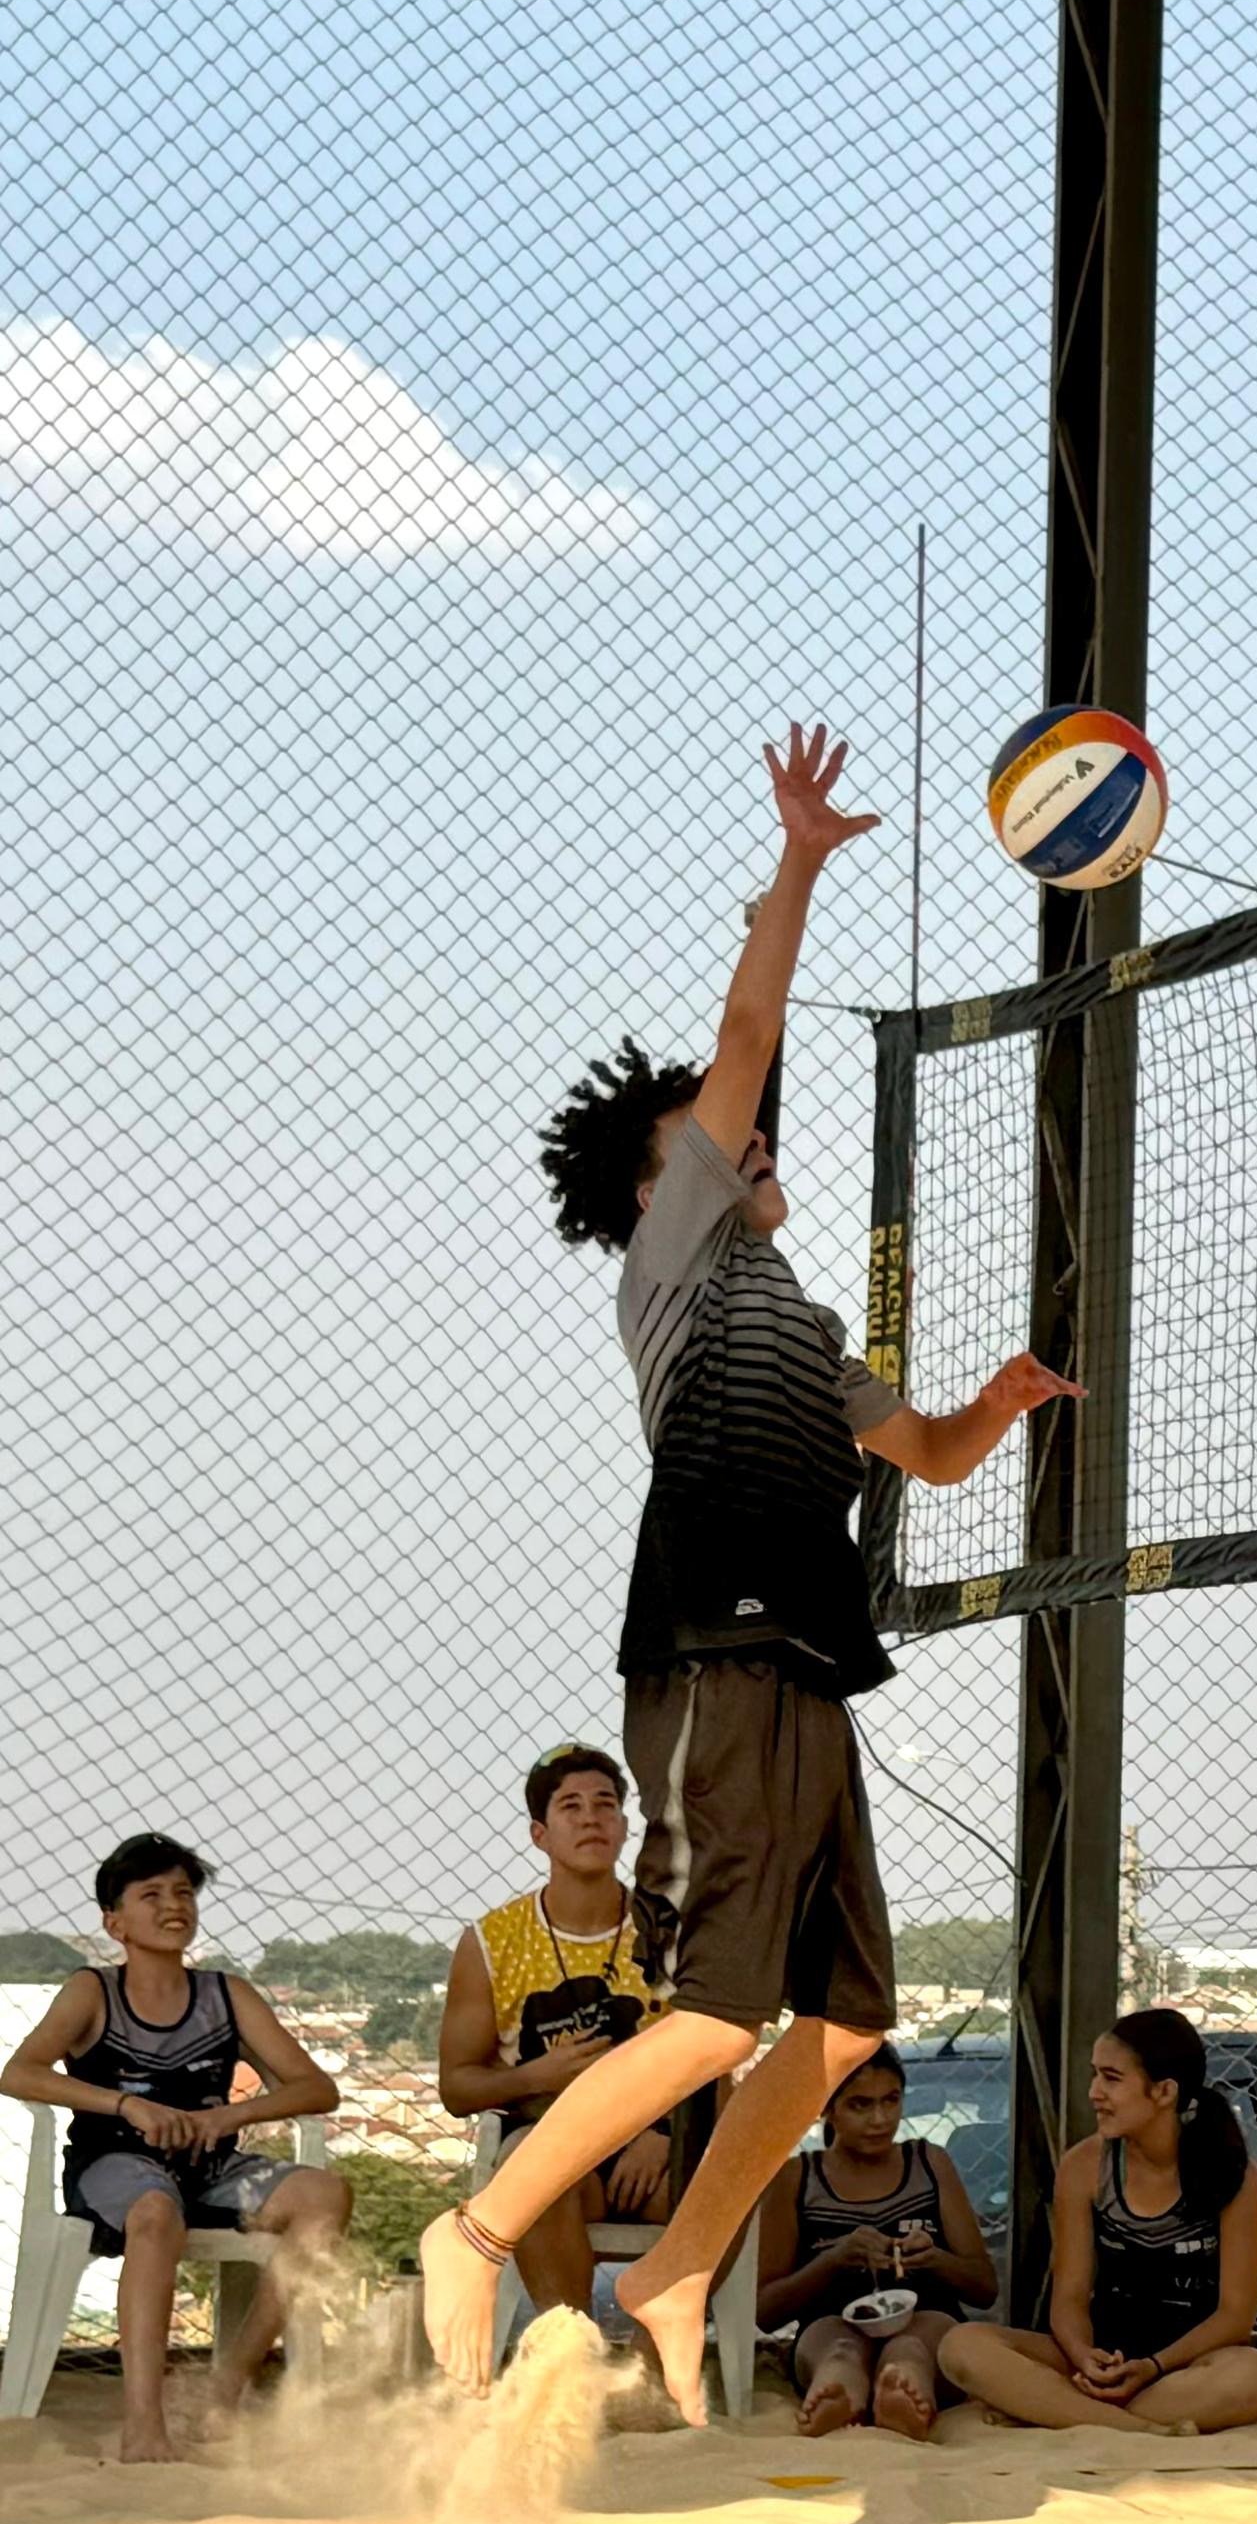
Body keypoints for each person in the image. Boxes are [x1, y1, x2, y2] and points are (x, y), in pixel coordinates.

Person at [415, 723, 1071, 2413]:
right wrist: (797, 860)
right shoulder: (673, 1268)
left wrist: (990, 1407)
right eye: (723, 1140)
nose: (755, 1140)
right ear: (671, 1188)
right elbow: (746, 1038)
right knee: (711, 2016)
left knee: (847, 2024)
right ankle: (477, 2233)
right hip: (716, 1650)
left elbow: (925, 1453)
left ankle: (684, 2263)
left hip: (809, 1670)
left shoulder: (799, 1324)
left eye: (752, 1139)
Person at [0, 1835, 352, 2461]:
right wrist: (125, 2104)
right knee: (156, 2213)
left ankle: (227, 2385)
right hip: (115, 2166)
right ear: (115, 1922)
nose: (174, 1906)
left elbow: (316, 2089)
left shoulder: (226, 1995)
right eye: (152, 1894)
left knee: (325, 2195)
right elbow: (19, 2073)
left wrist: (230, 2116)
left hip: (212, 2169)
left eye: (184, 1893)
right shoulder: (93, 1991)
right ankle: (144, 2423)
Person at [938, 2008, 1257, 2434]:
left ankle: (1057, 2410)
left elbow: (1235, 2317)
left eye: (1112, 2079)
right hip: (1102, 2355)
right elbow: (1069, 2297)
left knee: (1256, 2378)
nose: (1094, 2092)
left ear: (1164, 2091)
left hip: (1182, 2365)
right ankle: (1141, 2428)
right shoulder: (1084, 2166)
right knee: (962, 2346)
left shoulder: (1233, 2175)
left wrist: (1153, 2366)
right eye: (1094, 2075)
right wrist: (1084, 2356)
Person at [433, 1743, 671, 2333]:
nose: (591, 1818)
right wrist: (534, 2076)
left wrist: (664, 2132)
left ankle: (657, 2361)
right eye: (571, 1806)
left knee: (735, 2177)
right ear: (540, 1834)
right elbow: (457, 2088)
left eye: (605, 1804)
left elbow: (716, 2052)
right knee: (531, 2169)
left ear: (624, 1827)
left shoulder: (668, 1929)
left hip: (651, 2140)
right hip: (549, 2136)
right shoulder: (492, 1941)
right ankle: (574, 2350)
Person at [753, 2039, 996, 2436]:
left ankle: (903, 2396)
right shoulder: (798, 2179)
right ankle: (838, 2395)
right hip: (830, 2324)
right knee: (841, 2352)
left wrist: (935, 2258)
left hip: (927, 2318)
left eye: (891, 2100)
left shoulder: (929, 2164)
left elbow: (984, 2288)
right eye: (860, 2105)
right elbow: (765, 2311)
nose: (880, 2119)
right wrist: (833, 2260)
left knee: (910, 2350)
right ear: (827, 2108)